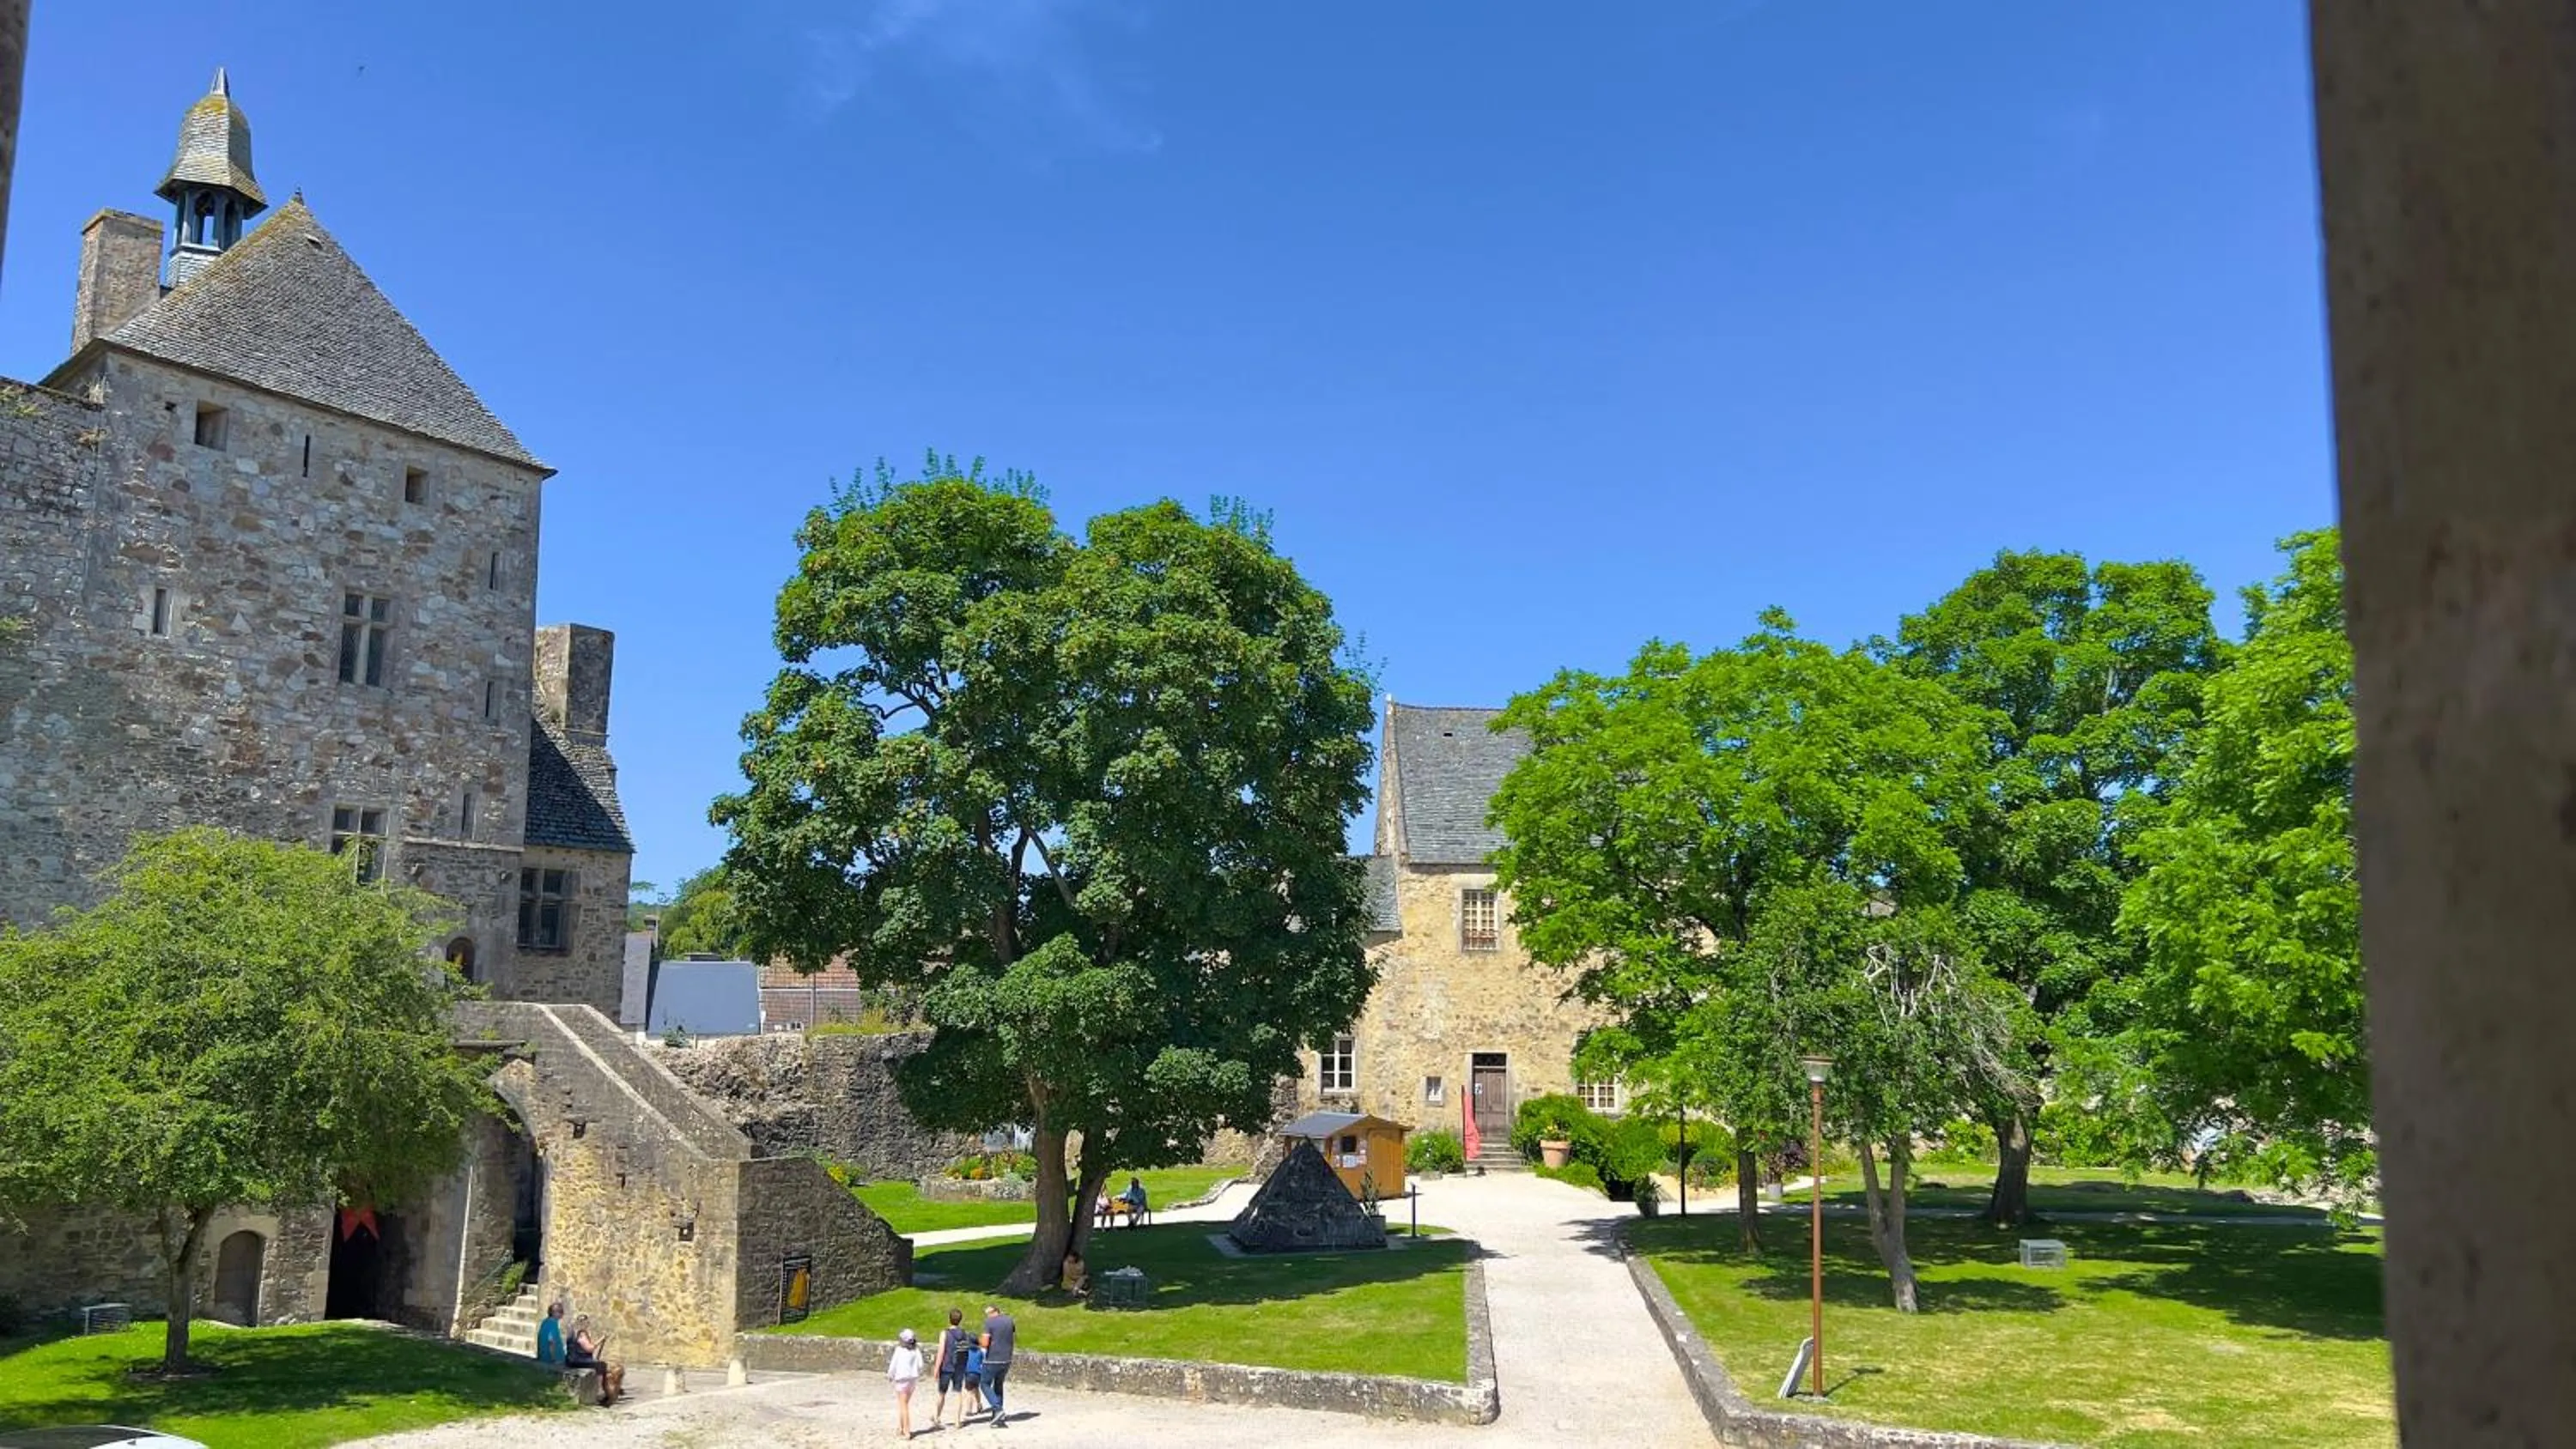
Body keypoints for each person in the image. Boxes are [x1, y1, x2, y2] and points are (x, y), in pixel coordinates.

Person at [931, 1307, 976, 1429]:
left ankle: (937, 1416)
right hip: (959, 1367)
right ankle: (957, 1420)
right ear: (960, 1320)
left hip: (946, 1366)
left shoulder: (945, 1333)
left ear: (949, 1319)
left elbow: (941, 1352)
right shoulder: (964, 1334)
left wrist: (936, 1369)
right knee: (958, 1393)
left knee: (941, 1393)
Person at [565, 1313, 624, 1404]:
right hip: (577, 1360)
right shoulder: (580, 1334)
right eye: (585, 1322)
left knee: (601, 1365)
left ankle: (610, 1390)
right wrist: (601, 1340)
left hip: (576, 1359)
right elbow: (590, 1348)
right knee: (601, 1365)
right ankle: (600, 1390)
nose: (586, 1324)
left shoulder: (576, 1332)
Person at [980, 1303, 1018, 1427]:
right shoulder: (1009, 1320)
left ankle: (998, 1409)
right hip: (1007, 1358)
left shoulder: (989, 1322)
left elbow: (985, 1343)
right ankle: (998, 1415)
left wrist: (978, 1340)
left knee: (984, 1383)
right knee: (998, 1385)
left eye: (987, 1314)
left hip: (993, 1358)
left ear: (992, 1312)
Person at [887, 1326, 925, 1439]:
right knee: (904, 1404)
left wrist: (890, 1375)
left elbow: (893, 1365)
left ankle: (907, 1431)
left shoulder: (899, 1350)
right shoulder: (916, 1350)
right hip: (912, 1380)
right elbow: (921, 1365)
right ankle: (901, 1427)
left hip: (902, 1379)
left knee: (903, 1405)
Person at [534, 1302, 566, 1366]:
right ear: (554, 1313)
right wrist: (554, 1359)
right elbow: (551, 1342)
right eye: (560, 1311)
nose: (562, 1313)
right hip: (550, 1361)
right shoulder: (552, 1323)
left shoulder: (545, 1321)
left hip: (544, 1359)